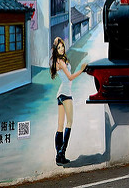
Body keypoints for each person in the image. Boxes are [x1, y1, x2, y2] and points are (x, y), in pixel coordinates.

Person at [49, 37, 87, 165]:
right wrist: (81, 70)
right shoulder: (61, 62)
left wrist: (57, 40)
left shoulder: (57, 61)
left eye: (62, 47)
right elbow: (70, 77)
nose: (62, 49)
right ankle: (62, 153)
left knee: (60, 125)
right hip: (66, 93)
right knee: (69, 122)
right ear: (55, 50)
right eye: (59, 48)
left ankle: (58, 156)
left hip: (61, 94)